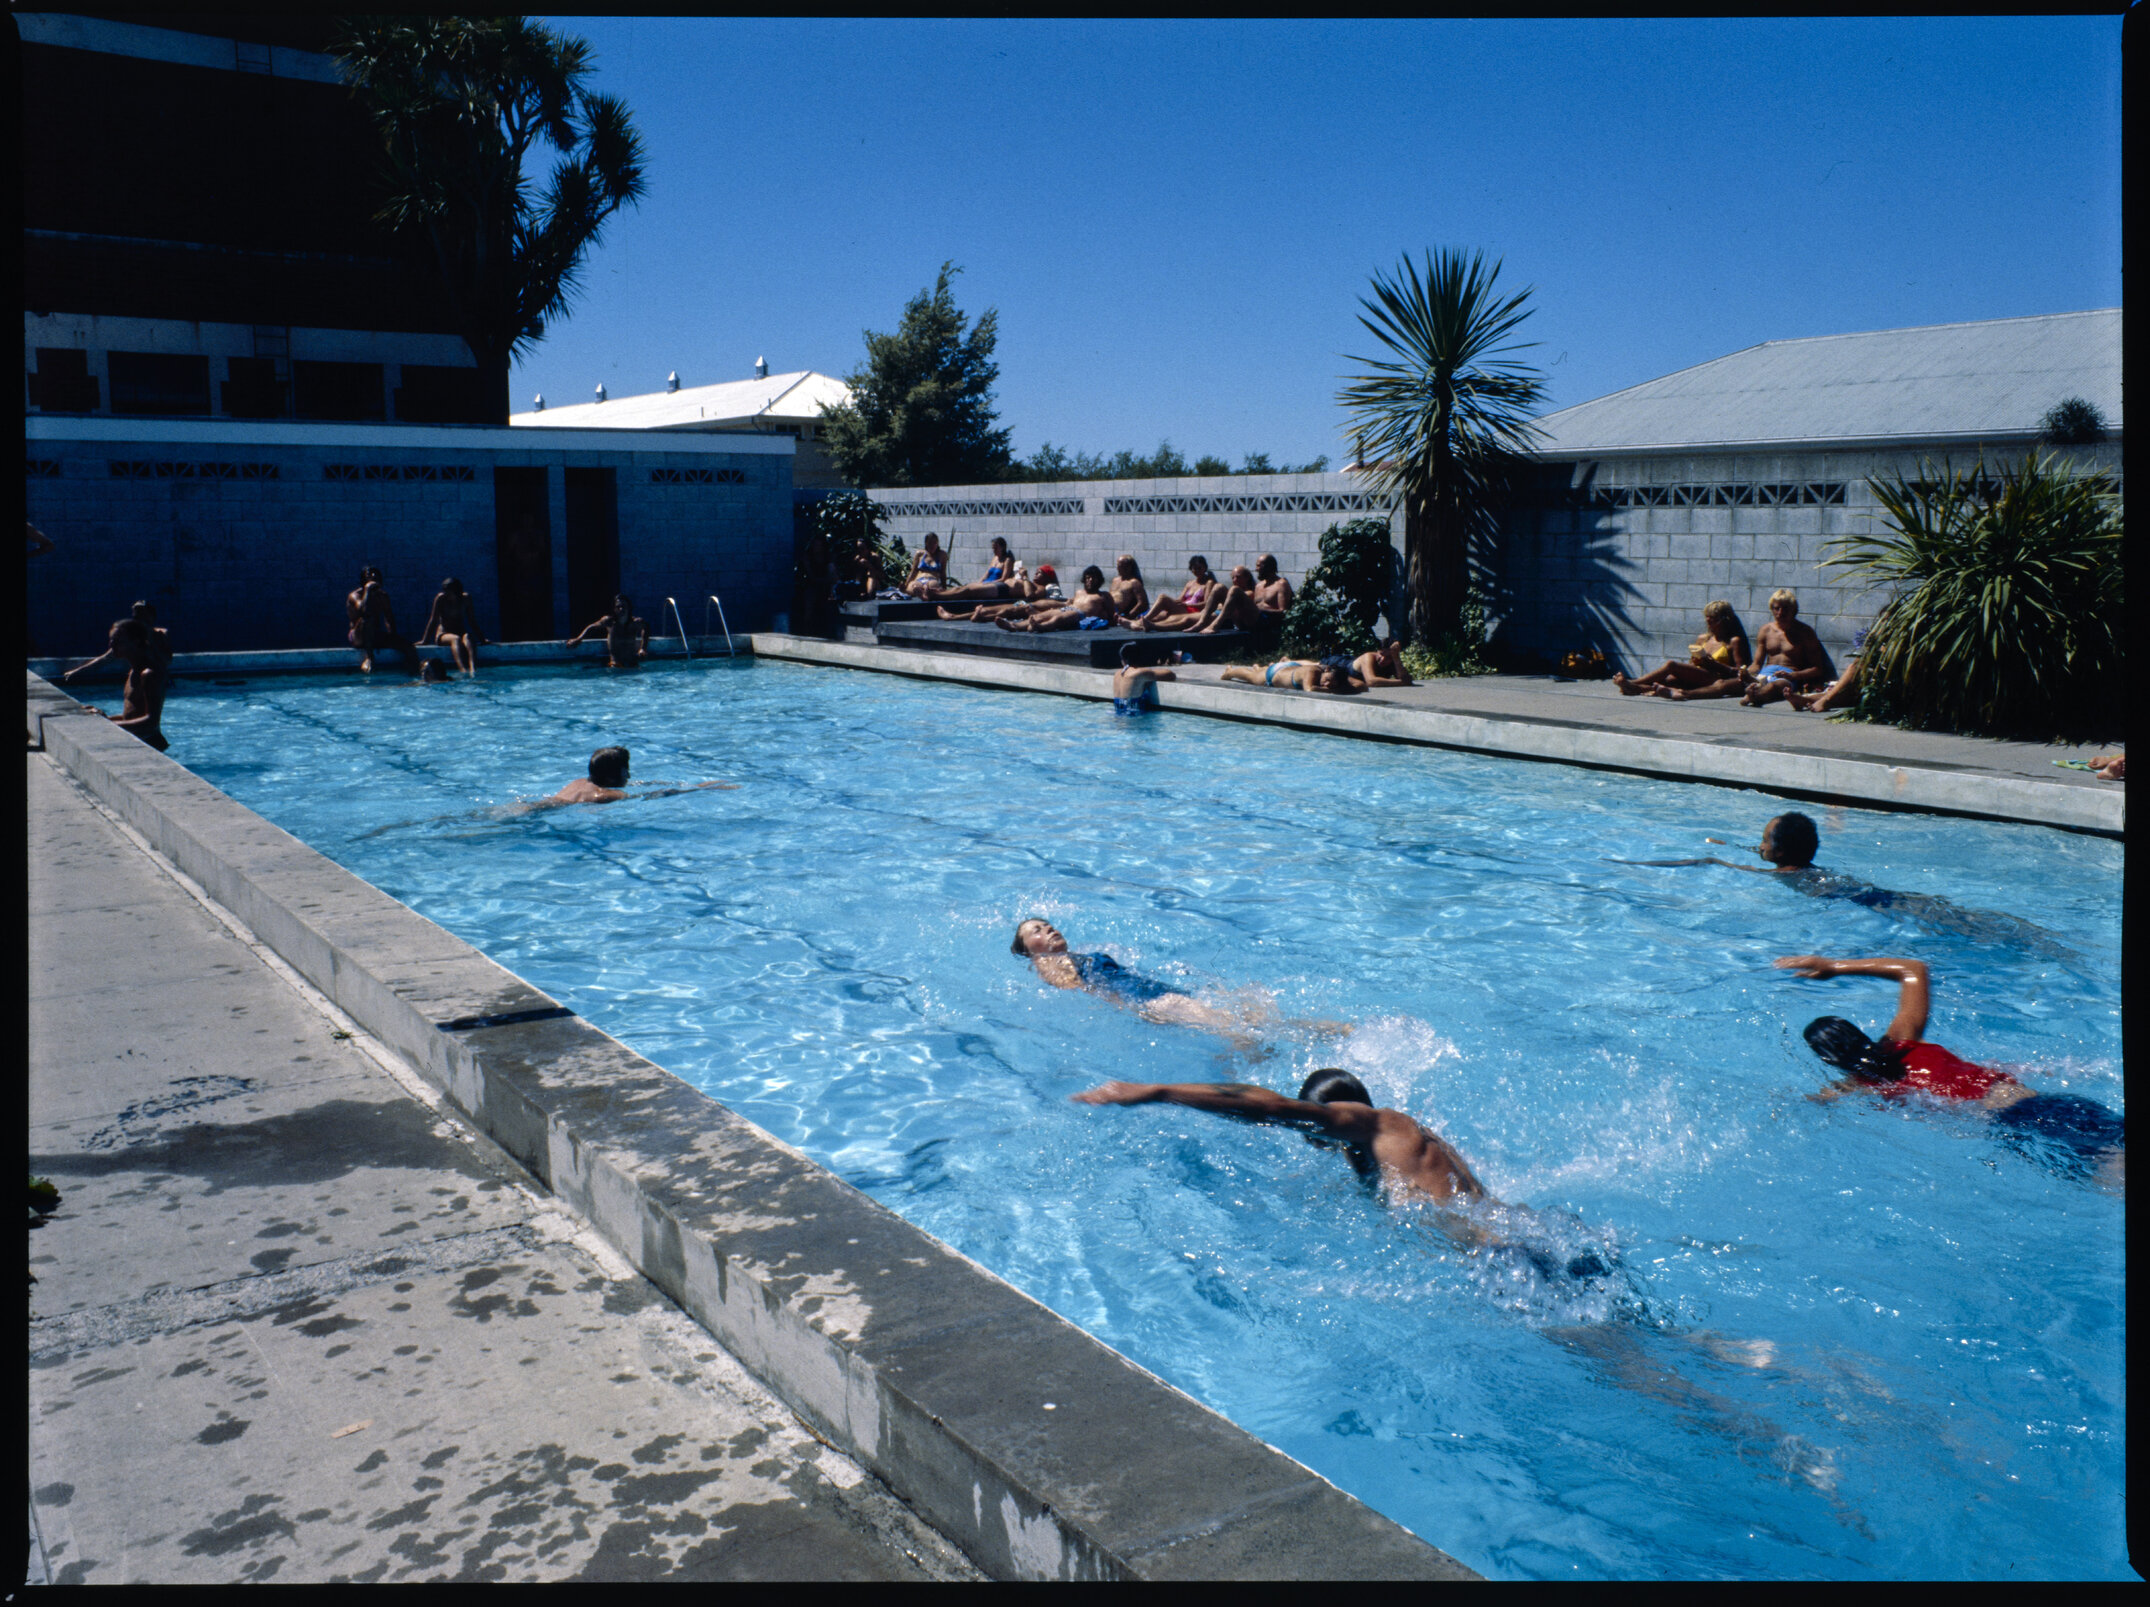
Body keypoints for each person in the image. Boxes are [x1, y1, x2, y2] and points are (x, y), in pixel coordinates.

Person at [1781, 954, 2123, 1183]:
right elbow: (1913, 969)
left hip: (2019, 1127)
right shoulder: (1903, 1040)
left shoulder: (1856, 1086)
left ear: (1827, 1061)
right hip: (2053, 1103)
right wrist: (1833, 966)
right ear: (1858, 1032)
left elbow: (1810, 1101)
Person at [1622, 811, 2071, 955]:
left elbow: (1730, 864)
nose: (1759, 848)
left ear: (1778, 852)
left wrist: (1706, 857)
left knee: (1951, 929)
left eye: (1763, 841)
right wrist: (1738, 843)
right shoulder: (1805, 864)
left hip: (1858, 904)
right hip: (1871, 893)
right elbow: (1764, 855)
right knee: (1948, 916)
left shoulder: (1783, 874)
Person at [1012, 918, 1311, 1047]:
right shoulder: (1047, 963)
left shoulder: (1073, 956)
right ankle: (1315, 1037)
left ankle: (1321, 1031)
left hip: (1157, 994)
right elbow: (1079, 989)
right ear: (1029, 949)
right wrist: (1128, 1008)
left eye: (1048, 924)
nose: (1048, 928)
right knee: (1242, 1031)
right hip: (1154, 1002)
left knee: (1247, 1017)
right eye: (1036, 930)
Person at [61, 617, 168, 750]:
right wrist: (103, 718)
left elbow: (151, 723)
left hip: (150, 745)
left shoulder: (148, 674)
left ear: (135, 642)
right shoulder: (133, 671)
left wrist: (106, 726)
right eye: (111, 640)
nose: (111, 645)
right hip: (135, 740)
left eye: (118, 641)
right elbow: (132, 715)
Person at [1613, 602, 1751, 699]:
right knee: (1671, 679)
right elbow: (1692, 664)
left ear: (1725, 621)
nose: (1709, 623)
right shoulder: (1703, 639)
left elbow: (1740, 672)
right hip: (1700, 673)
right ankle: (1635, 689)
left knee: (1671, 665)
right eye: (1707, 619)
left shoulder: (1733, 642)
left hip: (1716, 677)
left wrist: (1715, 665)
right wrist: (1695, 662)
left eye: (1713, 620)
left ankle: (1633, 683)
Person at [532, 746, 735, 809]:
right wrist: (702, 788)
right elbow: (654, 795)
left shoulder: (580, 782)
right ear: (612, 777)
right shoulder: (606, 795)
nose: (629, 775)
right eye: (625, 771)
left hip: (534, 806)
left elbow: (639, 785)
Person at [1740, 590, 1833, 707]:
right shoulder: (1766, 630)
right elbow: (1757, 664)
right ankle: (1754, 691)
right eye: (1776, 608)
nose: (1780, 613)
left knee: (1774, 686)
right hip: (1766, 673)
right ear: (1771, 609)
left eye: (1785, 609)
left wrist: (1793, 676)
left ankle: (1754, 695)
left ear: (1794, 610)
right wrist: (1747, 673)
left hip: (1789, 675)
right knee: (1729, 682)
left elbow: (1817, 669)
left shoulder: (1805, 632)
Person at [346, 566, 422, 674]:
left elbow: (389, 618)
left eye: (375, 577)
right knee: (368, 617)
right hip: (359, 636)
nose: (373, 578)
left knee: (409, 647)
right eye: (369, 576)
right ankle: (369, 657)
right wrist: (367, 590)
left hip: (375, 635)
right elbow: (364, 611)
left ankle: (414, 673)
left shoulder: (382, 596)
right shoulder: (354, 596)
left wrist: (393, 638)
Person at [995, 566, 1117, 632]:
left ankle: (1042, 627)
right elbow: (1069, 603)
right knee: (1040, 616)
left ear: (1099, 580)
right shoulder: (1079, 592)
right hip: (1069, 609)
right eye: (1088, 578)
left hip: (1082, 616)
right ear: (1084, 580)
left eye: (1093, 578)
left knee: (1058, 618)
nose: (1090, 580)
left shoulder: (1103, 596)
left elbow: (1112, 615)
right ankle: (1014, 626)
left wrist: (1106, 620)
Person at [1130, 557, 1220, 630]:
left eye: (1200, 568)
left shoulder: (1209, 583)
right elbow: (1179, 599)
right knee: (1162, 615)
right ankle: (1139, 623)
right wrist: (1171, 603)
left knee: (1162, 597)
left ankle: (1143, 620)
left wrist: (1187, 604)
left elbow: (1207, 603)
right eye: (1194, 569)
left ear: (1205, 568)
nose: (1197, 571)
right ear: (1191, 569)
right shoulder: (1189, 583)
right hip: (1183, 608)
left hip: (1193, 611)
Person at [949, 566, 1063, 622]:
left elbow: (1029, 595)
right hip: (1017, 602)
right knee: (985, 609)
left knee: (1002, 612)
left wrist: (1024, 578)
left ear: (1047, 577)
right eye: (1036, 571)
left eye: (1040, 573)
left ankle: (980, 618)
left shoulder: (1042, 588)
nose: (1036, 573)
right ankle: (954, 617)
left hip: (1023, 605)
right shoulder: (1032, 583)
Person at [421, 577, 485, 674]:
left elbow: (472, 621)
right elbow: (433, 620)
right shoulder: (440, 599)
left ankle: (473, 668)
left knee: (468, 637)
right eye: (445, 591)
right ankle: (462, 669)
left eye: (449, 592)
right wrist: (425, 641)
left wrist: (482, 639)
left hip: (460, 631)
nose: (446, 594)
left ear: (457, 591)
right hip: (444, 633)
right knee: (455, 639)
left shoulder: (466, 599)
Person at [570, 593, 650, 668]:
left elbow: (646, 628)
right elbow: (592, 627)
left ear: (629, 607)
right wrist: (579, 639)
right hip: (615, 664)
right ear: (614, 609)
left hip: (632, 663)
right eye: (618, 607)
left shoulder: (635, 623)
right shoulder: (610, 622)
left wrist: (643, 648)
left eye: (624, 606)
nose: (621, 609)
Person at [1220, 658, 1360, 694]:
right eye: (1327, 680)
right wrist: (1335, 690)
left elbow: (1363, 686)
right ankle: (1229, 671)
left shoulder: (1334, 675)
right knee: (1251, 677)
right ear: (1327, 670)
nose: (1327, 685)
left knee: (1257, 672)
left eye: (1332, 684)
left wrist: (1345, 686)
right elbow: (1309, 689)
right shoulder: (1313, 671)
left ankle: (1259, 667)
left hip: (1289, 668)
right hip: (1273, 675)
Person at [1190, 566, 1265, 634]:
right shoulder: (1233, 592)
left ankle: (1215, 625)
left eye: (1238, 577)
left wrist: (1219, 605)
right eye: (1233, 578)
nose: (1235, 580)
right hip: (1232, 618)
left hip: (1247, 622)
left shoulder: (1250, 592)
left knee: (1234, 589)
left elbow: (1227, 606)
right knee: (1218, 587)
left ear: (1247, 578)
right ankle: (1201, 622)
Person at [1112, 643, 1177, 716]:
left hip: (1118, 716)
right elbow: (1171, 675)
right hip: (1134, 718)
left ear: (1123, 659)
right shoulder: (1140, 673)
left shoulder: (1117, 674)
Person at [1321, 640, 1412, 690]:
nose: (1383, 659)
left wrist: (1396, 658)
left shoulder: (1393, 661)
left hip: (1350, 662)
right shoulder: (1368, 657)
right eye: (1381, 654)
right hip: (1340, 663)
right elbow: (1371, 681)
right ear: (1377, 651)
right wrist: (1401, 683)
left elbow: (1406, 678)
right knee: (1316, 665)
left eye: (1388, 657)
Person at [902, 532, 952, 598]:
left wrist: (945, 589)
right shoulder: (920, 554)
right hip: (919, 579)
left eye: (934, 543)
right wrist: (906, 584)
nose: (932, 545)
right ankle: (922, 593)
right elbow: (913, 571)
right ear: (926, 543)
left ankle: (925, 593)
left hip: (932, 579)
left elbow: (943, 573)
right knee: (913, 586)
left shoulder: (942, 555)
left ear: (937, 543)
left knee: (932, 586)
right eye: (930, 543)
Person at [1106, 555, 1150, 621]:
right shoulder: (1115, 580)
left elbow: (1143, 603)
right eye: (1118, 565)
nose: (1117, 568)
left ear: (1128, 567)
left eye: (1120, 565)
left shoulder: (1134, 582)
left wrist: (1129, 616)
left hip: (1124, 614)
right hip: (1111, 613)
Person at [1251, 553, 1294, 617]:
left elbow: (1284, 611)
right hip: (1256, 621)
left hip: (1271, 621)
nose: (1256, 569)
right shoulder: (1258, 586)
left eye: (1258, 566)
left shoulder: (1281, 584)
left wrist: (1261, 611)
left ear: (1268, 567)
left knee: (1235, 591)